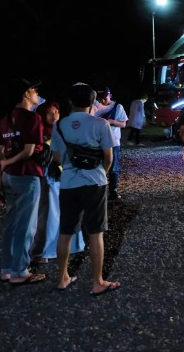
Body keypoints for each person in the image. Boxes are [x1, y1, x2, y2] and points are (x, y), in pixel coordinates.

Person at [51, 83, 120, 294]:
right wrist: (102, 173)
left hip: (69, 182)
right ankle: (97, 282)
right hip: (94, 182)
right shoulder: (100, 124)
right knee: (96, 232)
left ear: (70, 102)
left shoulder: (60, 125)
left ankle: (62, 278)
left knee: (66, 231)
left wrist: (70, 168)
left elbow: (56, 156)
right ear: (92, 102)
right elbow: (108, 157)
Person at [0, 78, 47, 285]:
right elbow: (29, 151)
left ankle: (7, 268)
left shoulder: (6, 119)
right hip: (27, 176)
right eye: (34, 90)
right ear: (26, 93)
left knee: (11, 224)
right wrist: (9, 162)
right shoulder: (32, 118)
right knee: (26, 225)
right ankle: (20, 271)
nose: (36, 94)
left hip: (9, 179)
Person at [31, 102, 85, 264]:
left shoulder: (64, 129)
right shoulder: (38, 133)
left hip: (67, 175)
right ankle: (45, 250)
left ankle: (71, 246)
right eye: (49, 112)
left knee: (69, 211)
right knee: (49, 214)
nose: (54, 115)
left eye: (57, 111)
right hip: (49, 177)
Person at [92, 87, 128, 201]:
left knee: (113, 167)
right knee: (96, 165)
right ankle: (97, 189)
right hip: (98, 142)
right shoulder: (95, 107)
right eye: (100, 98)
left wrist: (112, 122)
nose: (103, 101)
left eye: (105, 98)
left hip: (114, 142)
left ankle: (113, 191)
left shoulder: (118, 107)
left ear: (110, 95)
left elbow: (124, 124)